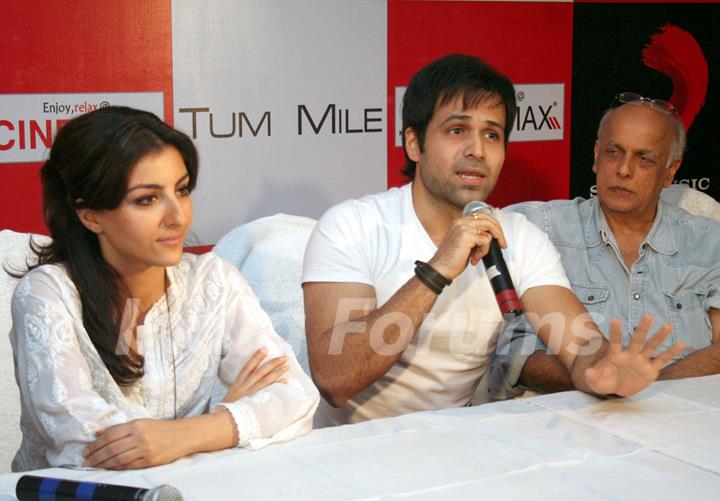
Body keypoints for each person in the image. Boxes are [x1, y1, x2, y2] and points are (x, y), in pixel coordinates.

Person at [302, 54, 683, 426]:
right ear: (414, 143)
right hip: (348, 451)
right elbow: (336, 379)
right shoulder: (352, 224)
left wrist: (603, 371)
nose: (476, 150)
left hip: (453, 446)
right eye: (457, 131)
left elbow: (582, 347)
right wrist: (436, 272)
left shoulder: (520, 237)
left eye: (491, 134)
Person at [9, 106, 319, 472]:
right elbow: (87, 447)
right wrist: (227, 421)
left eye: (182, 190)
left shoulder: (213, 281)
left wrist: (186, 435)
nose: (179, 216)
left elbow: (295, 397)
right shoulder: (48, 294)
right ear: (90, 214)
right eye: (147, 199)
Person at [491, 93, 720, 397]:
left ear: (670, 172)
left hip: (685, 418)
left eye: (644, 158)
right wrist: (603, 379)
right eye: (613, 152)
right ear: (597, 156)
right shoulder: (540, 230)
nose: (624, 170)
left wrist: (648, 389)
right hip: (568, 419)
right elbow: (517, 356)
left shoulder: (708, 242)